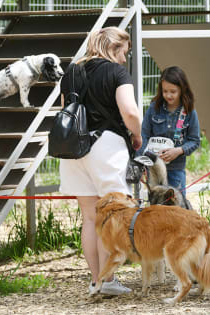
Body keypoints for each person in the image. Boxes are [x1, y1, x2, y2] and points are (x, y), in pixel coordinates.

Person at [59, 27, 142, 294]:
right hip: (106, 147)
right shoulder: (116, 72)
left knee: (90, 218)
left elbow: (66, 111)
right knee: (111, 217)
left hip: (74, 148)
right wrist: (137, 135)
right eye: (124, 53)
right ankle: (108, 281)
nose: (124, 59)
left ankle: (96, 280)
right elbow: (130, 112)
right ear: (115, 48)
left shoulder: (72, 71)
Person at [138, 66, 200, 195]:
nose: (168, 95)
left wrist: (178, 151)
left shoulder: (189, 112)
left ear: (182, 90)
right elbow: (144, 135)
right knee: (156, 207)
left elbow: (194, 141)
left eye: (173, 91)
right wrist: (141, 161)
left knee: (177, 207)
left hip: (176, 170)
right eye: (165, 91)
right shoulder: (153, 109)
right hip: (154, 168)